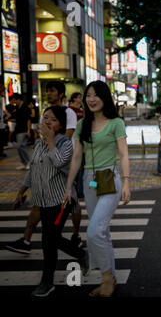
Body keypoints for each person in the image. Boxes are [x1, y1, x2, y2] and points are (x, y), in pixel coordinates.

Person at [63, 80, 131, 297]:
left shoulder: (115, 123)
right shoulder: (82, 125)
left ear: (104, 97)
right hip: (90, 181)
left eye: (95, 95)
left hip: (109, 178)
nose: (91, 99)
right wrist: (68, 187)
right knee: (102, 232)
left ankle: (105, 277)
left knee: (93, 232)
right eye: (88, 95)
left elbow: (123, 154)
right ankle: (109, 278)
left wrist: (127, 181)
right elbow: (76, 157)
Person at [13, 106, 87, 297]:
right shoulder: (39, 144)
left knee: (49, 241)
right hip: (43, 201)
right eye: (45, 118)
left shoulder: (65, 144)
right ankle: (79, 254)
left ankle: (47, 282)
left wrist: (50, 140)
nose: (47, 122)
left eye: (52, 120)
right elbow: (33, 169)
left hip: (61, 201)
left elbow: (60, 162)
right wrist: (21, 191)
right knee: (50, 240)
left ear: (61, 125)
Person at [5, 82, 83, 255]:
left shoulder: (68, 112)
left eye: (52, 91)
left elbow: (66, 136)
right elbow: (35, 162)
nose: (48, 93)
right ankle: (26, 240)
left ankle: (76, 237)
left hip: (64, 163)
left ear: (61, 93)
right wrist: (23, 188)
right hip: (47, 159)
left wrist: (50, 142)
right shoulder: (46, 112)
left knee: (73, 203)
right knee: (40, 205)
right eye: (47, 91)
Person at [11, 93, 31, 170]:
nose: (14, 102)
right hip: (18, 130)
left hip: (24, 130)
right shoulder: (17, 107)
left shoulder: (25, 107)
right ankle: (24, 163)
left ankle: (28, 162)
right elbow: (17, 119)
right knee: (19, 147)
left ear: (19, 99)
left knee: (22, 146)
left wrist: (28, 130)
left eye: (15, 100)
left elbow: (28, 120)